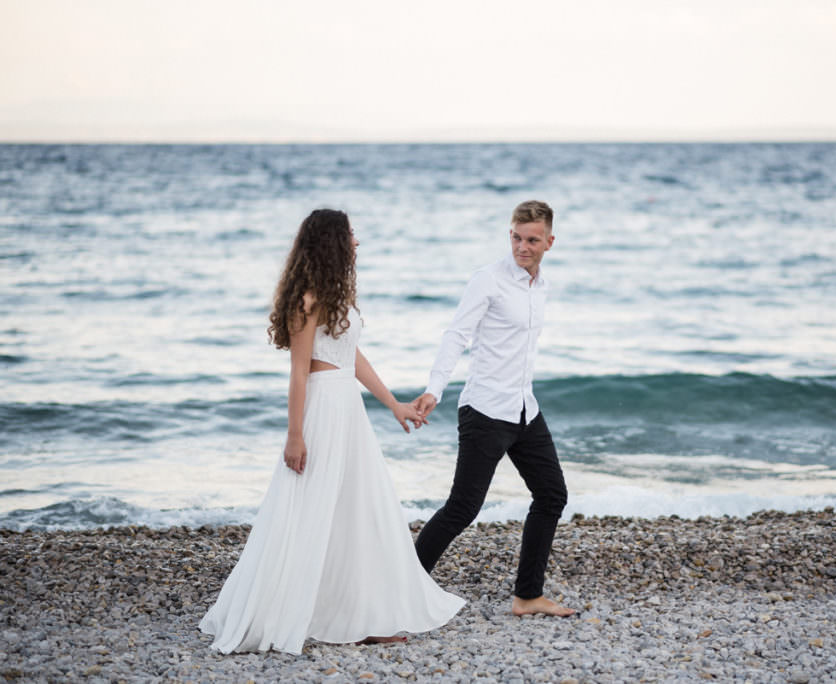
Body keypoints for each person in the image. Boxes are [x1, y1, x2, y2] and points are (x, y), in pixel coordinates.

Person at [199, 209, 464, 655]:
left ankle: (364, 612)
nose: (357, 242)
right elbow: (300, 374)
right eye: (351, 235)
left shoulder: (337, 295)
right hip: (322, 410)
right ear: (334, 243)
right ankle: (303, 610)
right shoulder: (307, 301)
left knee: (359, 511)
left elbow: (352, 357)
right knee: (309, 511)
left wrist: (394, 404)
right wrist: (295, 436)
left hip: (349, 411)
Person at [412, 200, 573, 617]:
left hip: (524, 409)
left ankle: (527, 596)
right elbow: (456, 335)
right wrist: (434, 389)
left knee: (552, 494)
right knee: (463, 508)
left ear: (549, 242)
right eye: (516, 237)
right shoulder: (488, 280)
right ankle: (403, 588)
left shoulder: (541, 286)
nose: (523, 246)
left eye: (532, 239)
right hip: (485, 410)